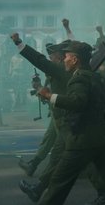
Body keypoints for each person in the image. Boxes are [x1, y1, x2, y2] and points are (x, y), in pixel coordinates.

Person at [35, 41, 105, 205]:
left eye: (66, 56)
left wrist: (49, 96)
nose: (64, 59)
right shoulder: (97, 77)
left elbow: (77, 103)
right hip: (101, 139)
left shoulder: (79, 80)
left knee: (57, 185)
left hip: (81, 141)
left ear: (74, 60)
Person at [17, 43, 63, 177]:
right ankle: (33, 165)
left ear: (59, 56)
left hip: (62, 113)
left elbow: (51, 94)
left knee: (69, 147)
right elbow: (47, 93)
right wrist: (39, 87)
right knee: (49, 139)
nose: (50, 58)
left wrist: (39, 88)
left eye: (52, 55)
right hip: (57, 112)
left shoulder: (59, 70)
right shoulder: (56, 70)